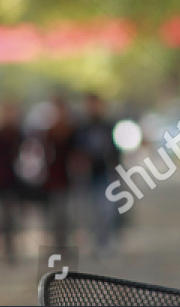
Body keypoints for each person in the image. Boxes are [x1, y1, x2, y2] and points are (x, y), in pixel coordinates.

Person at [72, 92, 121, 254]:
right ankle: (95, 242)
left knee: (106, 210)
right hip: (86, 177)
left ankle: (104, 243)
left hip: (105, 174)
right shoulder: (81, 128)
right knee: (89, 212)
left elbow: (115, 151)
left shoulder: (108, 126)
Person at [0, 100, 24, 263]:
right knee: (1, 218)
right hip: (0, 181)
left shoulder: (19, 134)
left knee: (13, 217)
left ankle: (12, 248)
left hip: (16, 182)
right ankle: (5, 249)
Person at [39, 95, 77, 253]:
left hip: (67, 180)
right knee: (54, 215)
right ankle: (56, 245)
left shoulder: (72, 132)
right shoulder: (47, 134)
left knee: (65, 214)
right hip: (51, 181)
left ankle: (64, 244)